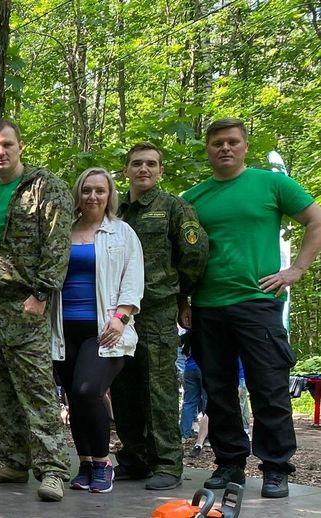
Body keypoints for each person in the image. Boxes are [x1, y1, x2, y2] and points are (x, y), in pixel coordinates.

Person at [182, 117, 321, 498]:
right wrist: (183, 301)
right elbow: (181, 256)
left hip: (257, 302)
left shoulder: (271, 184)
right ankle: (229, 464)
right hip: (207, 306)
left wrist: (296, 270)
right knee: (219, 390)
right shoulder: (192, 199)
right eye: (217, 143)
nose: (224, 148)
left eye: (232, 142)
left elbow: (316, 220)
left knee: (269, 387)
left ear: (245, 146)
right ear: (207, 149)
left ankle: (276, 468)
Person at [0, 119, 72, 502]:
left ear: (20, 145)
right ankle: (11, 461)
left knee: (36, 389)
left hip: (26, 303)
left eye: (6, 144)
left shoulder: (46, 187)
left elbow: (57, 246)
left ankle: (54, 469)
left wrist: (42, 294)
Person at [112, 142, 209, 490]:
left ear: (160, 170)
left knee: (159, 387)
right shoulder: (115, 211)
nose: (144, 170)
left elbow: (195, 253)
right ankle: (134, 458)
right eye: (136, 163)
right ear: (126, 169)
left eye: (151, 164)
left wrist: (181, 296)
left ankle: (168, 462)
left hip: (156, 309)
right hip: (117, 314)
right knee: (123, 384)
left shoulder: (174, 207)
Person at [50, 167, 144, 494]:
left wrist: (121, 318)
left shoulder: (122, 233)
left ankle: (103, 463)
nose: (93, 196)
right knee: (75, 400)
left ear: (109, 196)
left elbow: (133, 282)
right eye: (87, 190)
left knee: (89, 391)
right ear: (78, 194)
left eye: (99, 191)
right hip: (62, 331)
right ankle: (86, 463)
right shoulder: (61, 231)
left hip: (104, 330)